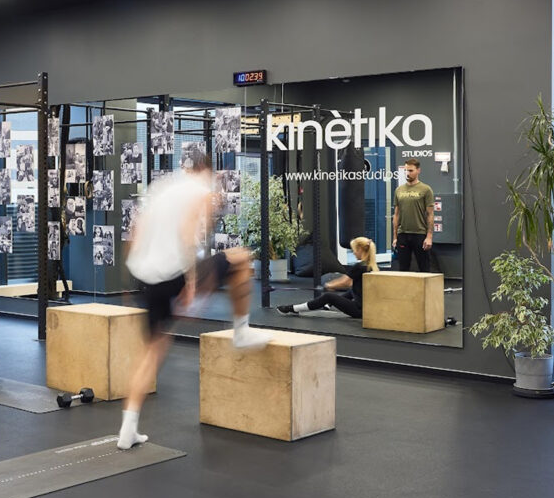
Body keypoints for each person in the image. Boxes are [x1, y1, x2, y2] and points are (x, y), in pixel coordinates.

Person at [118, 148, 272, 450]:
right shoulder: (200, 189)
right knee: (241, 258)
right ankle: (241, 331)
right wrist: (190, 284)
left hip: (146, 278)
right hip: (174, 275)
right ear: (207, 171)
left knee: (152, 351)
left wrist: (129, 283)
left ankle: (128, 428)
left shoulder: (161, 188)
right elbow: (187, 233)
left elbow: (136, 231)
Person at [277, 237, 378, 318]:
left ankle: (294, 309)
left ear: (360, 249)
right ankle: (328, 304)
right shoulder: (371, 266)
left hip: (359, 310)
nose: (354, 253)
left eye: (354, 250)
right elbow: (351, 285)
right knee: (353, 290)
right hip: (368, 309)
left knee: (328, 296)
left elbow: (345, 282)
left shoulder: (359, 266)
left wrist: (329, 285)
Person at [393, 158, 435, 272]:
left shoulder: (426, 189)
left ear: (418, 170)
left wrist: (429, 237)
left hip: (420, 234)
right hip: (403, 234)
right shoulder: (398, 190)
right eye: (406, 170)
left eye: (411, 170)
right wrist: (395, 237)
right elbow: (396, 215)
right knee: (403, 269)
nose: (407, 173)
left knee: (424, 269)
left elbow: (430, 214)